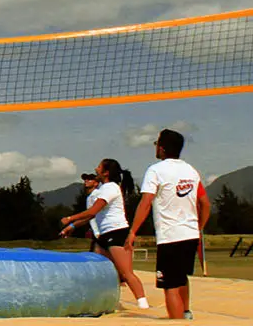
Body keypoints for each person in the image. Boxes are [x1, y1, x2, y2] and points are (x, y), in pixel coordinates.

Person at [125, 129, 211, 320]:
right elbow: (205, 204)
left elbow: (145, 203)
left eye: (156, 143)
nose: (155, 147)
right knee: (181, 278)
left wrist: (133, 232)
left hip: (170, 236)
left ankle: (177, 321)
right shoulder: (190, 170)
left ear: (162, 148)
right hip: (190, 234)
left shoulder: (156, 170)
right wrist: (199, 227)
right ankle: (186, 313)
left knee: (170, 286)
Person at [59, 159, 149, 310]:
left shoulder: (111, 188)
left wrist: (70, 218)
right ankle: (100, 301)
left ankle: (143, 304)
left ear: (106, 172)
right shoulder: (101, 190)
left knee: (126, 274)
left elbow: (93, 211)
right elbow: (92, 216)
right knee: (100, 270)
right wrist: (72, 226)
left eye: (99, 167)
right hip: (104, 235)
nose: (96, 169)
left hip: (117, 232)